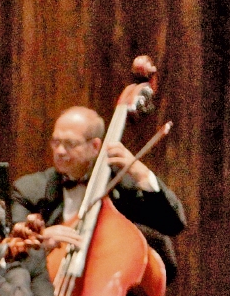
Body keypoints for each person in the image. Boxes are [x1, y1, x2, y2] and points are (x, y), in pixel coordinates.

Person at [11, 106, 186, 282]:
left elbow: (172, 224)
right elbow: (11, 248)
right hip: (50, 291)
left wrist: (142, 174)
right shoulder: (30, 190)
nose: (60, 151)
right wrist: (40, 239)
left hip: (113, 288)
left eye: (70, 144)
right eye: (56, 142)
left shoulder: (123, 187)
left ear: (95, 146)